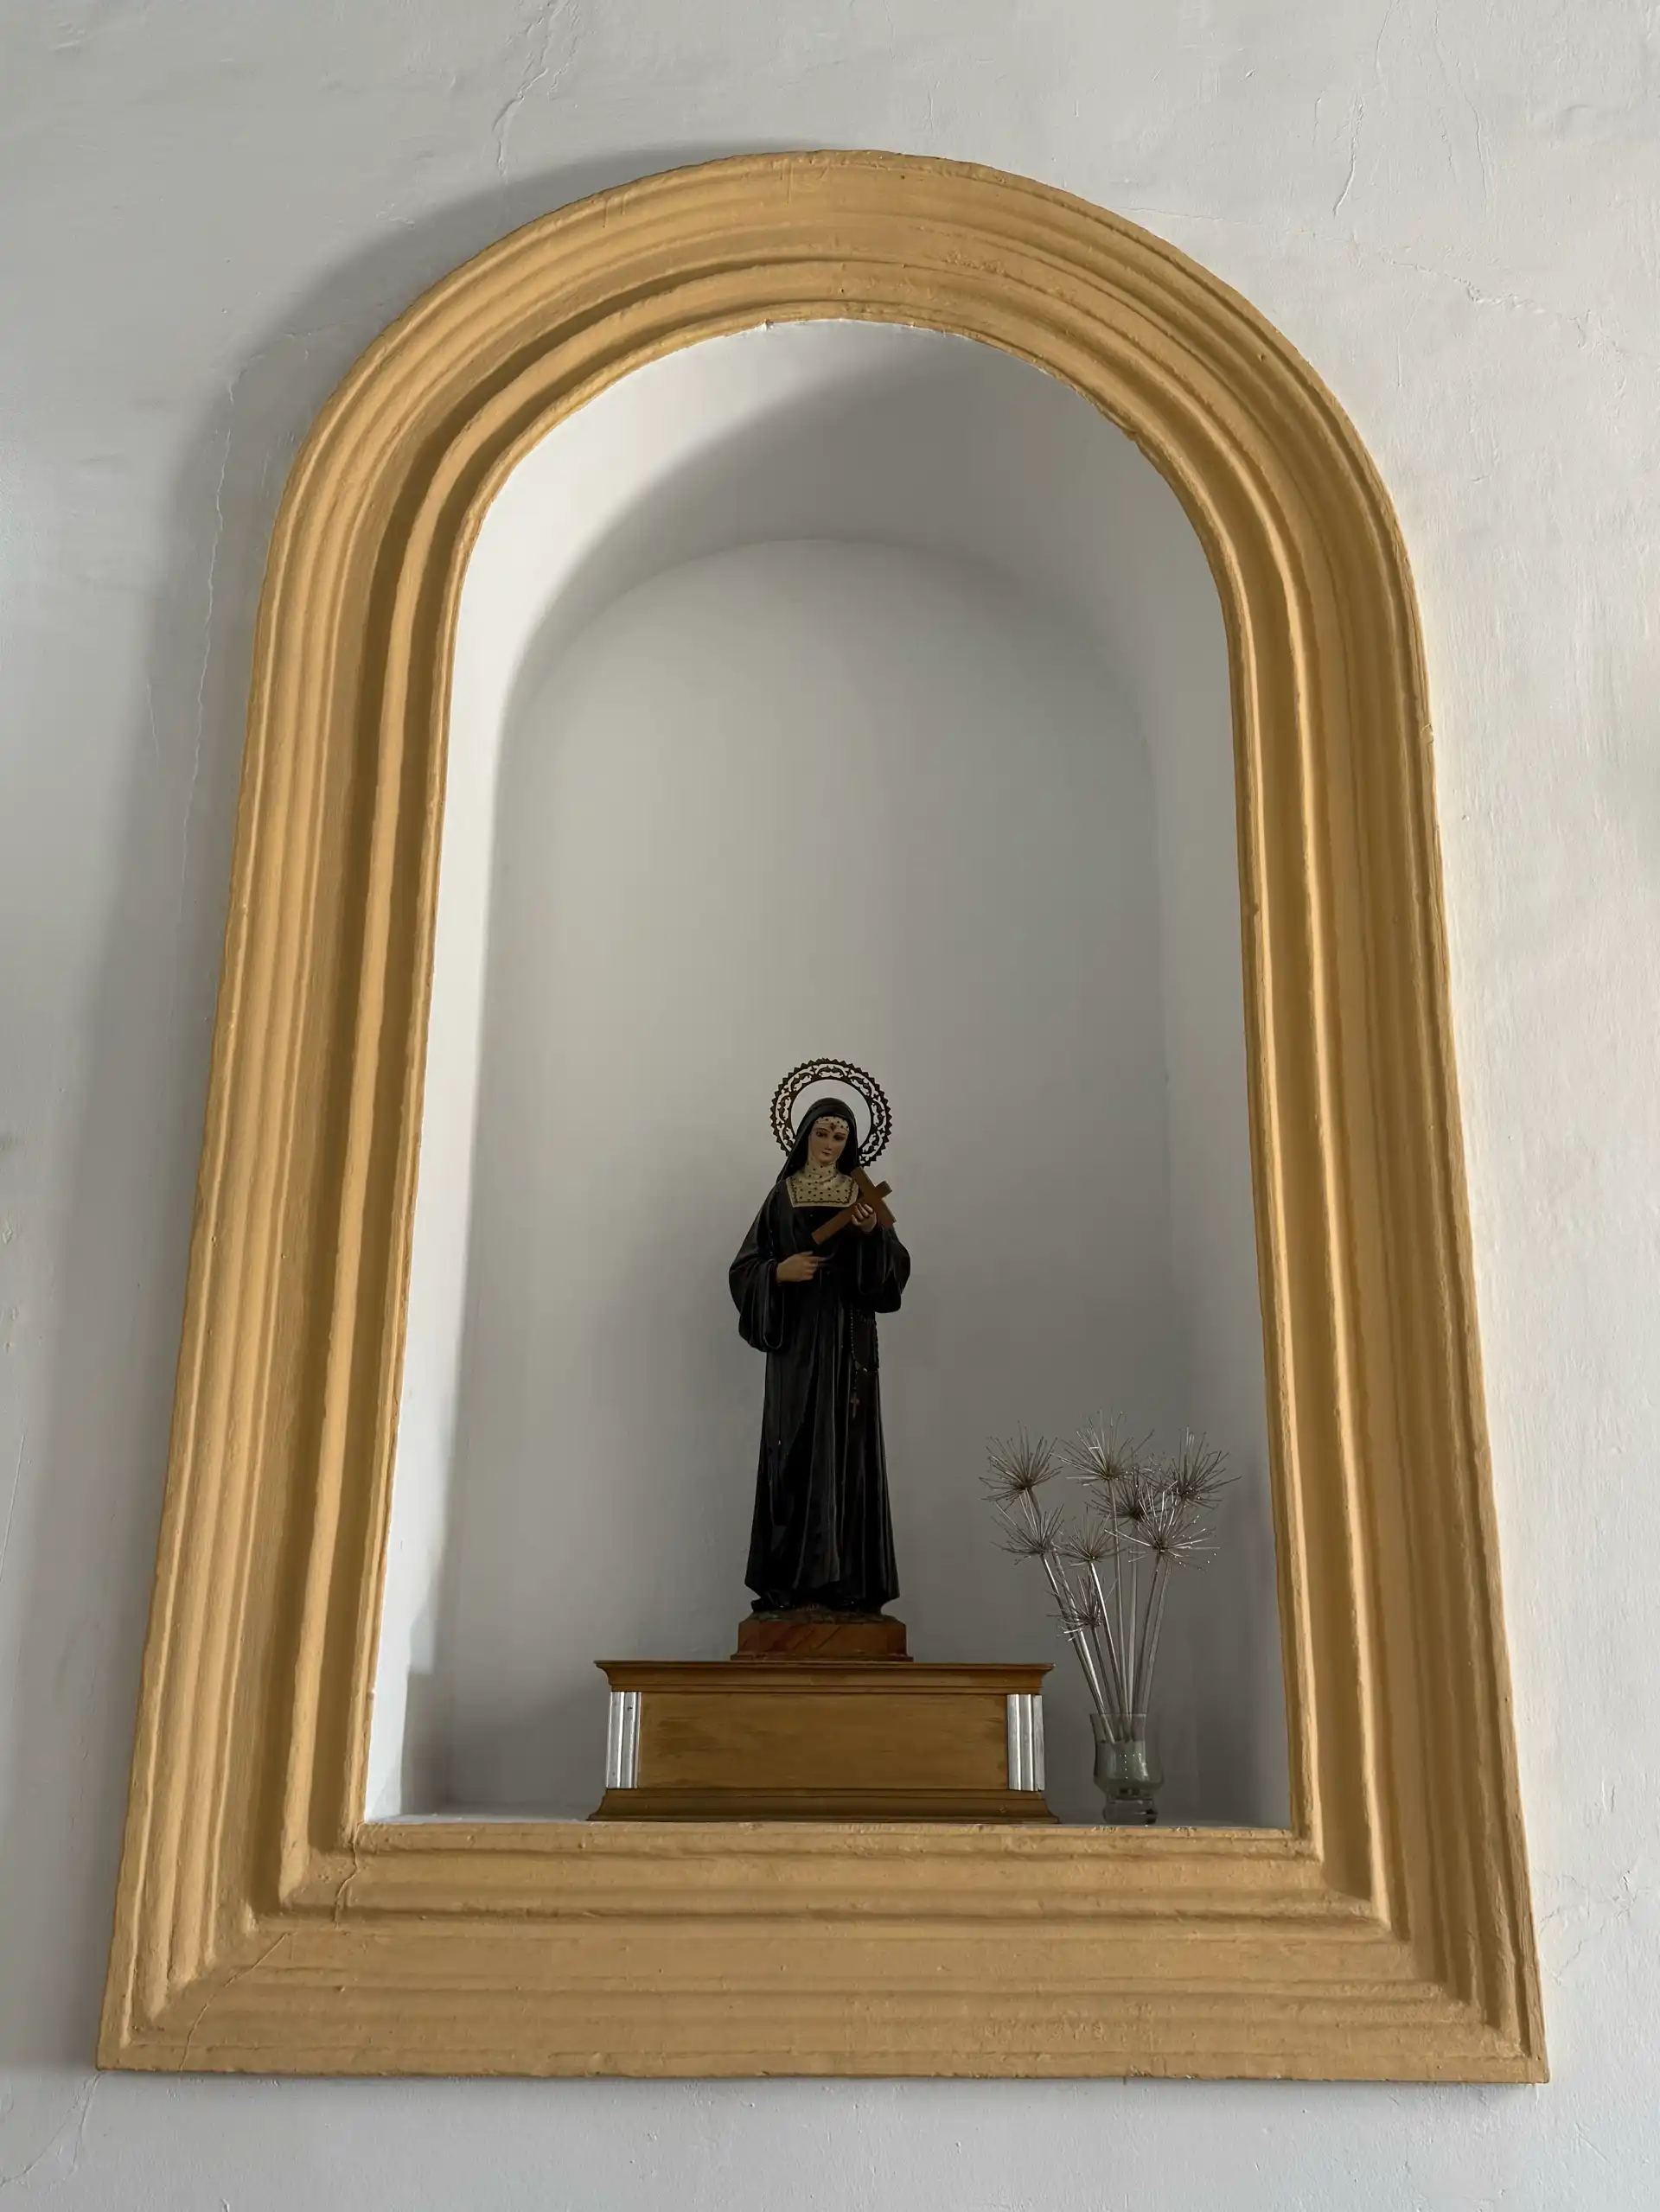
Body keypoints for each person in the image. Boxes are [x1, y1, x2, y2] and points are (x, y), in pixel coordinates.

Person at [729, 1099, 910, 1615]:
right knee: (793, 1447)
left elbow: (895, 1271)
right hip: (797, 1346)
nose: (830, 1145)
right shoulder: (782, 1195)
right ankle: (789, 1581)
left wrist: (872, 1236)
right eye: (822, 1133)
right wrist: (776, 1273)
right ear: (805, 1134)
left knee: (848, 1452)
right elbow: (744, 1268)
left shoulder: (862, 1193)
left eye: (840, 1136)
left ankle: (847, 1582)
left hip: (849, 1343)